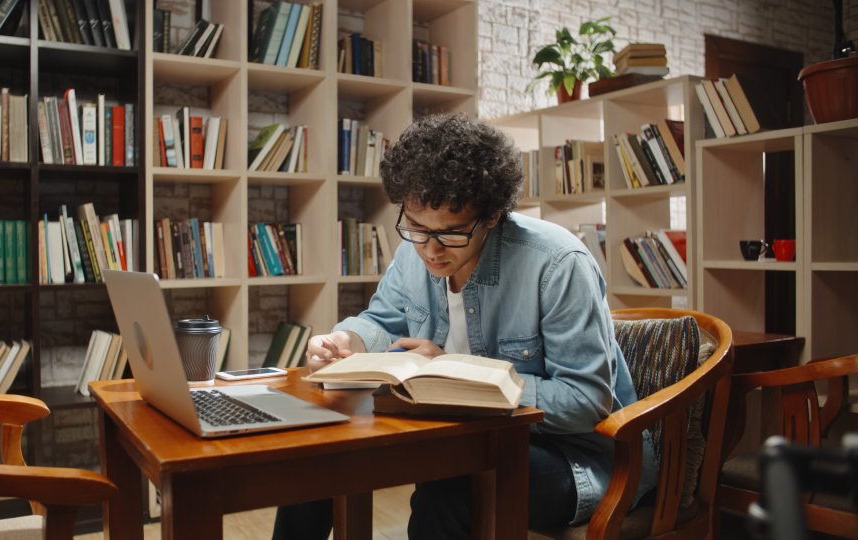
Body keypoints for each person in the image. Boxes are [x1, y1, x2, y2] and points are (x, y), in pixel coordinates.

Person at [272, 113, 657, 539]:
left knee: (449, 489)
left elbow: (585, 401)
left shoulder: (558, 264)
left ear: (492, 216)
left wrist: (457, 373)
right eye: (417, 228)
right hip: (466, 438)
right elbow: (381, 320)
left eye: (451, 234)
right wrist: (346, 340)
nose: (430, 250)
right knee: (316, 456)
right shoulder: (413, 252)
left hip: (577, 459)